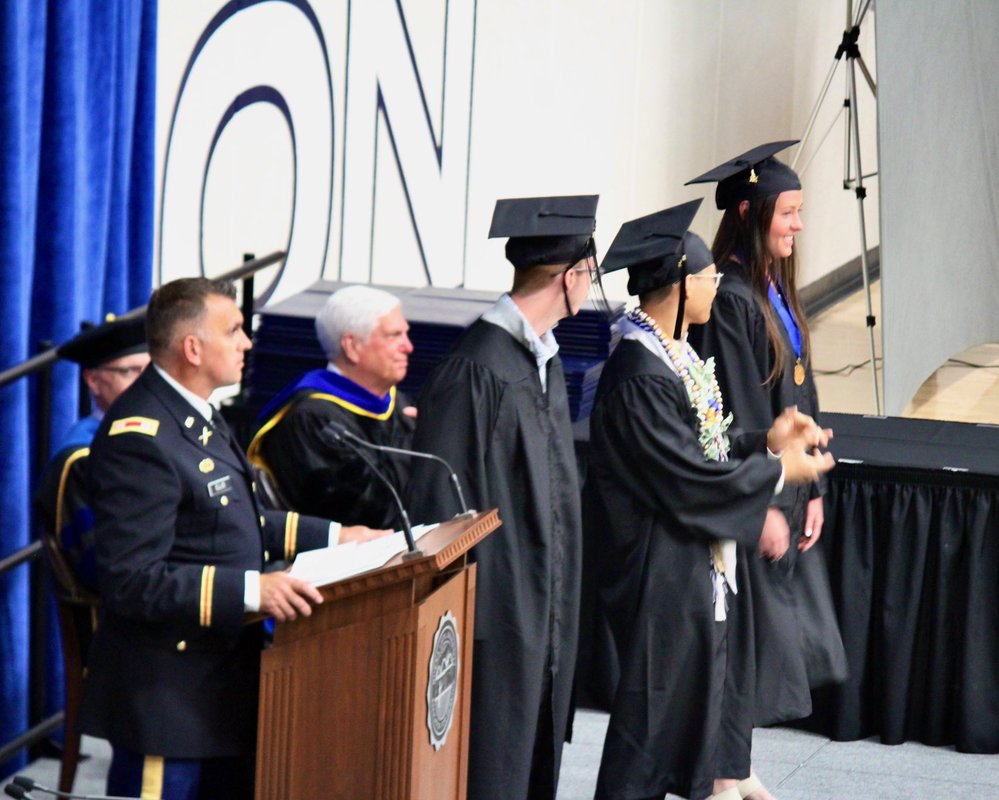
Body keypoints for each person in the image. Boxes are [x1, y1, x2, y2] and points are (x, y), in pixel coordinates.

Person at [80, 277, 385, 799]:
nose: (247, 342)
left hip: (220, 686)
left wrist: (341, 537)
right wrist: (253, 590)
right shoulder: (141, 437)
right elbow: (132, 581)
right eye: (235, 330)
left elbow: (241, 519)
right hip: (167, 699)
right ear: (192, 348)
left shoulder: (198, 417)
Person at [586, 200, 834, 800]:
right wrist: (776, 472)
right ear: (676, 282)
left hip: (693, 564)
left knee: (693, 700)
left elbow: (708, 445)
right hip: (656, 570)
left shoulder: (678, 356)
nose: (716, 287)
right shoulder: (640, 374)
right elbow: (687, 478)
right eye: (707, 278)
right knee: (651, 722)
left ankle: (725, 778)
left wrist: (764, 438)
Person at [406, 195, 598, 799]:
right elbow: (440, 507)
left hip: (540, 609)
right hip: (495, 617)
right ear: (569, 278)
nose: (592, 288)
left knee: (529, 761)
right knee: (492, 766)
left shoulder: (540, 360)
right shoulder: (477, 370)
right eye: (590, 276)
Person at [687, 141, 847, 728]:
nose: (798, 225)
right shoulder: (732, 301)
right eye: (788, 213)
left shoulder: (774, 289)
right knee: (752, 654)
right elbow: (742, 419)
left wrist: (816, 490)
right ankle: (728, 772)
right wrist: (764, 504)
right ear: (751, 215)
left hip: (790, 488)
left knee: (781, 650)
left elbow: (802, 389)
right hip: (761, 494)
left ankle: (734, 771)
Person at [248, 284, 417, 529]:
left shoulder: (399, 404)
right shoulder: (311, 419)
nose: (409, 347)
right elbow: (373, 515)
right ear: (352, 346)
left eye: (406, 334)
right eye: (394, 335)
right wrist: (426, 444)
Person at [33, 316, 150, 590]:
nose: (146, 385)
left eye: (151, 372)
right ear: (93, 381)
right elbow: (103, 566)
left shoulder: (162, 435)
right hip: (121, 619)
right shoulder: (81, 461)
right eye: (131, 372)